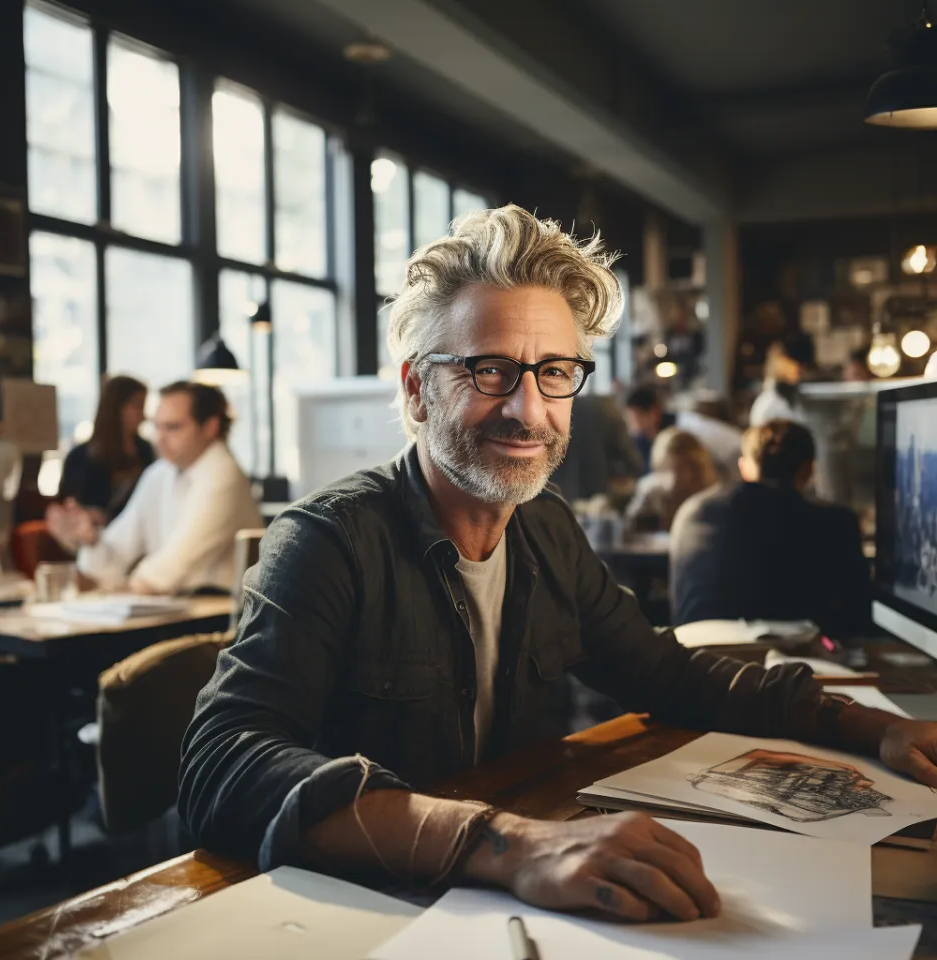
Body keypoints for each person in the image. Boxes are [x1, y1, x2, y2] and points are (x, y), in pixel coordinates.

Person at [179, 206, 937, 926]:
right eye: (489, 371)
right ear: (416, 389)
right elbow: (221, 768)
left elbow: (669, 674)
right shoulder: (328, 541)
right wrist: (508, 843)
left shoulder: (544, 531)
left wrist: (871, 728)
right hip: (357, 915)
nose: (529, 409)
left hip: (497, 906)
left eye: (553, 372)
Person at [47, 381, 262, 594]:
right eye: (156, 426)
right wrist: (92, 540)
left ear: (209, 427)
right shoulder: (160, 472)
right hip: (180, 611)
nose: (159, 438)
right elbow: (115, 556)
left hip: (223, 615)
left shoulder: (223, 473)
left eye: (173, 427)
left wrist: (118, 588)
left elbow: (174, 567)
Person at [670, 419, 873, 639]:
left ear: (744, 468)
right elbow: (859, 615)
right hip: (796, 662)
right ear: (809, 470)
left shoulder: (692, 511)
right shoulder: (837, 522)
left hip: (697, 655)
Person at [53, 375, 155, 524]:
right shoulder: (81, 456)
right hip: (94, 532)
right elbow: (70, 503)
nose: (143, 416)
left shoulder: (145, 450)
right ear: (116, 408)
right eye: (137, 406)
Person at [550, 392, 643, 502]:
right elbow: (632, 462)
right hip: (599, 500)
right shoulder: (608, 411)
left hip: (557, 498)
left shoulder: (555, 412)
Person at [625, 429, 717, 535]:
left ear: (696, 467)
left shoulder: (711, 494)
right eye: (666, 469)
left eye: (681, 468)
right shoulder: (650, 490)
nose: (673, 479)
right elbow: (630, 528)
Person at [748, 336, 813, 427]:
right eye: (796, 363)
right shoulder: (768, 406)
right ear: (780, 362)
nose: (802, 369)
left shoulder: (797, 400)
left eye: (804, 365)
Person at [624, 385, 674, 469]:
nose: (631, 425)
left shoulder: (681, 431)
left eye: (635, 419)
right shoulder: (639, 441)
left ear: (654, 414)